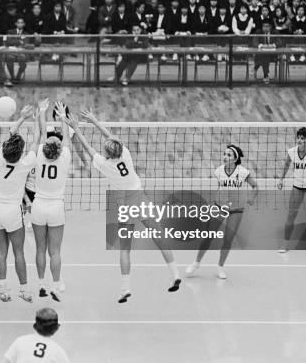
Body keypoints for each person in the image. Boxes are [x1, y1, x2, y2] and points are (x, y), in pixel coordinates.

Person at [66, 109, 181, 303]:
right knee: (160, 238)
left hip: (124, 207)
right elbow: (110, 137)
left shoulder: (104, 164)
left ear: (107, 153)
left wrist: (76, 128)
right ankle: (175, 274)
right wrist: (94, 120)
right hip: (140, 200)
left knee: (125, 250)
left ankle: (126, 288)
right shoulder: (125, 154)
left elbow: (87, 147)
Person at [0, 102, 43, 302]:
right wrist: (37, 119)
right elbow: (37, 140)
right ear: (20, 153)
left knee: (1, 252)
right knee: (18, 252)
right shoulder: (26, 163)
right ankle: (24, 290)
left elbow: (9, 136)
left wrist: (21, 117)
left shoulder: (0, 159)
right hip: (12, 212)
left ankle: (3, 290)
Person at [186, 145, 258, 279]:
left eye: (229, 155)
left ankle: (220, 267)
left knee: (228, 240)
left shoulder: (243, 172)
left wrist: (251, 198)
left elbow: (255, 186)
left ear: (235, 158)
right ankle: (196, 263)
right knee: (208, 235)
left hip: (236, 210)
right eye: (224, 154)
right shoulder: (219, 170)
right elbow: (219, 189)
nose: (225, 157)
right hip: (219, 207)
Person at [32, 101, 71, 302]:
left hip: (38, 207)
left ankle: (40, 284)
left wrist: (41, 113)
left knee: (40, 249)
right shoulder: (65, 155)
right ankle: (56, 285)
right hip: (56, 208)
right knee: (54, 251)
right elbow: (65, 139)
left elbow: (40, 132)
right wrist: (62, 117)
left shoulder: (38, 153)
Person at [3, 308, 69, 363]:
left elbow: (6, 361)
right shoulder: (58, 351)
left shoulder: (21, 341)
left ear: (36, 326)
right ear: (55, 328)